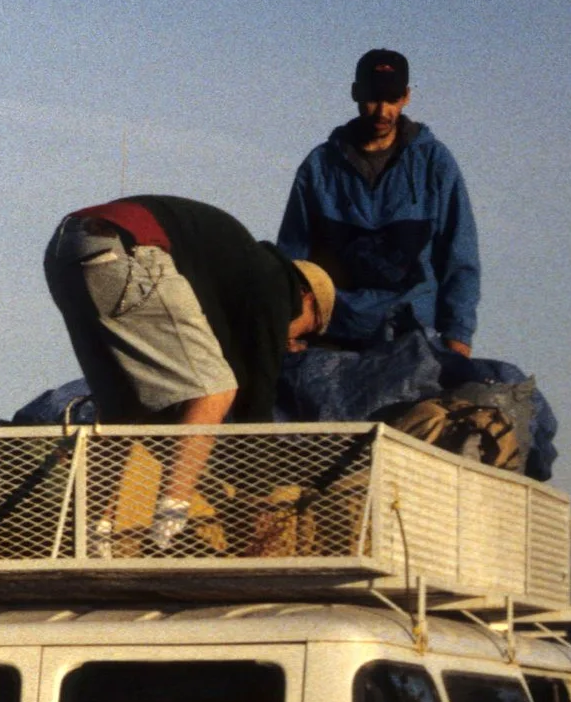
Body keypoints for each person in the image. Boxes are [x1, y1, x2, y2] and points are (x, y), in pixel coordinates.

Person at [43, 196, 333, 552]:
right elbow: (255, 398)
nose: (294, 344)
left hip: (66, 251)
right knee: (214, 390)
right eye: (305, 331)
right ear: (305, 297)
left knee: (123, 409)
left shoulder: (232, 272)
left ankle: (95, 534)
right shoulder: (276, 285)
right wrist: (255, 499)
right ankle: (171, 524)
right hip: (126, 247)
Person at [277, 49, 482, 352]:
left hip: (414, 341)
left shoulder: (435, 163)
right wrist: (285, 327)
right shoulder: (319, 166)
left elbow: (460, 258)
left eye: (392, 99)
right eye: (373, 98)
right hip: (333, 339)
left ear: (407, 97)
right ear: (356, 93)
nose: (382, 111)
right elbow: (293, 261)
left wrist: (458, 341)